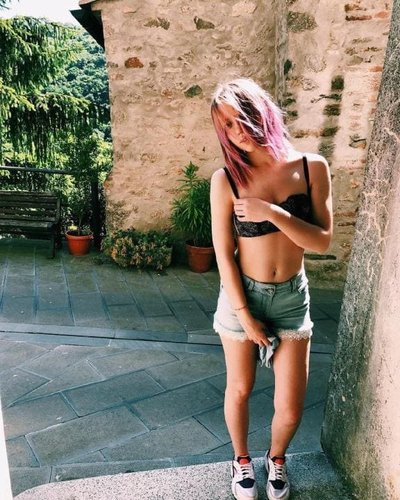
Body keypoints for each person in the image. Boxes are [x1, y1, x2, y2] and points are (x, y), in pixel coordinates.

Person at [210, 78, 333, 500]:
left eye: (240, 117)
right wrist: (245, 315)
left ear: (260, 110)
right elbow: (224, 254)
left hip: (292, 299)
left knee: (292, 406)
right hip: (242, 297)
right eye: (226, 125)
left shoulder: (311, 167)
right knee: (240, 388)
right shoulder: (226, 179)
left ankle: (276, 458)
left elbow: (321, 241)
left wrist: (272, 212)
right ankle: (241, 460)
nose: (236, 130)